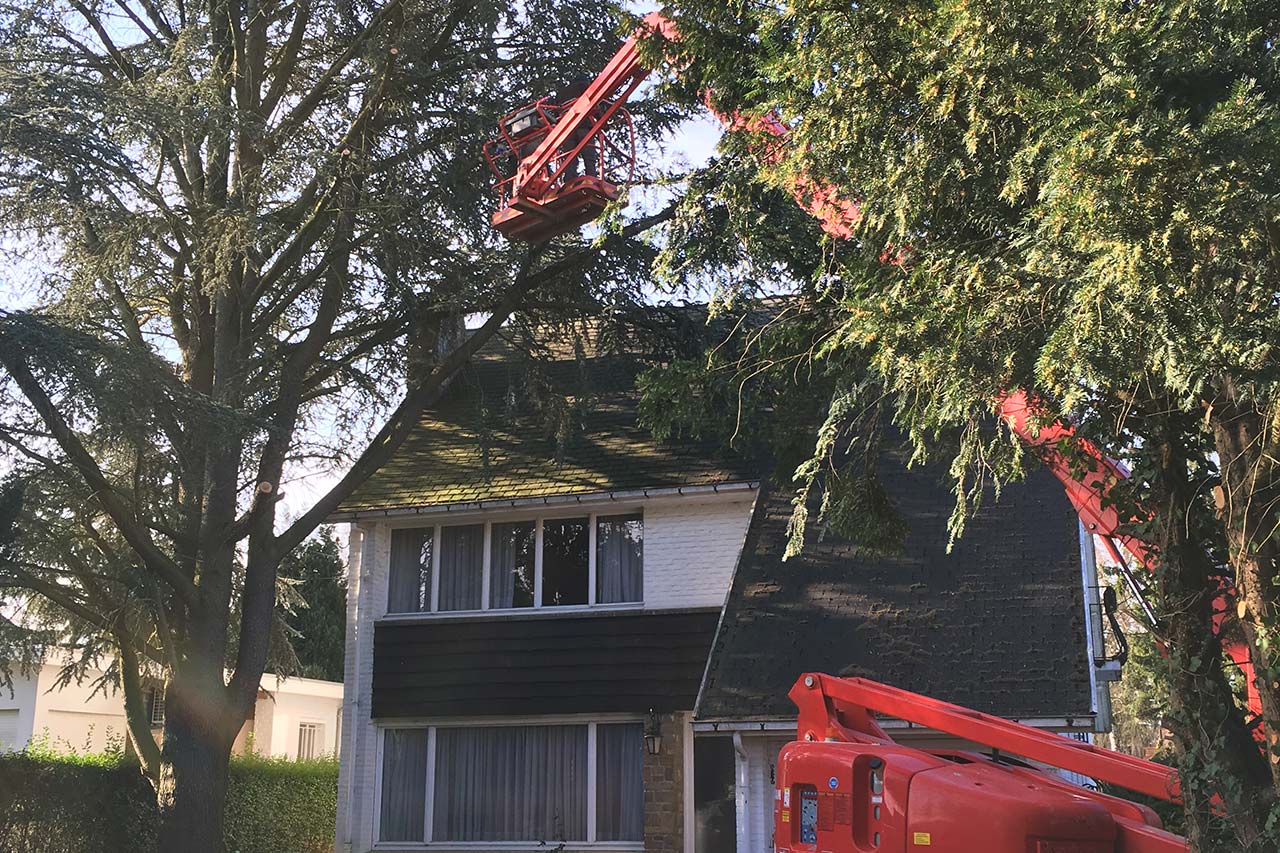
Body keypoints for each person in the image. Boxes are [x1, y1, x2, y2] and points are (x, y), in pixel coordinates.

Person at [555, 73, 599, 179]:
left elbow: (556, 114)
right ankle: (591, 175)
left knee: (569, 156)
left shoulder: (561, 94)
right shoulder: (584, 86)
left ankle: (569, 178)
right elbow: (593, 104)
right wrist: (602, 120)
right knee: (589, 154)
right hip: (583, 126)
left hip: (567, 130)